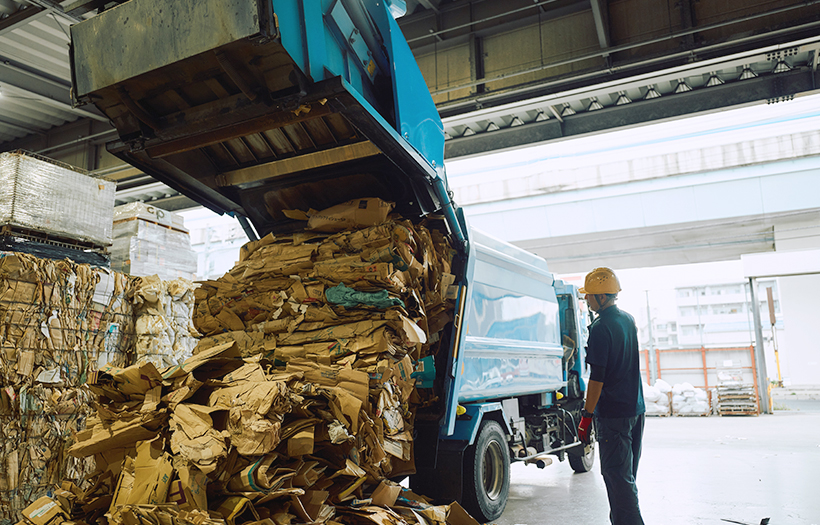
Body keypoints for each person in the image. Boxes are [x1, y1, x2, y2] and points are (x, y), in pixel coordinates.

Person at [576, 267, 646, 525]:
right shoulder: (627, 319)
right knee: (626, 477)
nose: (586, 300)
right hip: (635, 410)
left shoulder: (600, 328)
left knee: (617, 479)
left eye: (590, 296)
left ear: (603, 298)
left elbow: (597, 378)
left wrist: (586, 414)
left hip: (614, 415)